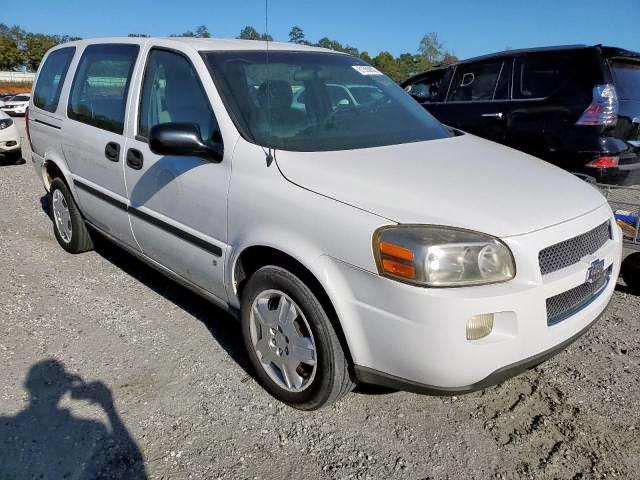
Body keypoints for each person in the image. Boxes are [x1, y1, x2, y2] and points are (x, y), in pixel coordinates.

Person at [0, 359, 147, 479]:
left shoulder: (5, 428)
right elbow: (136, 462)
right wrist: (109, 408)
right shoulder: (93, 427)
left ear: (28, 386)